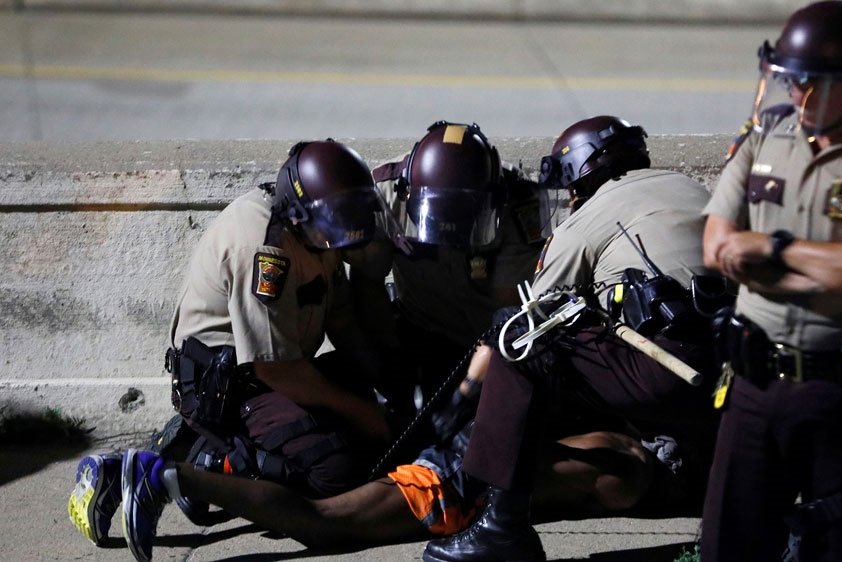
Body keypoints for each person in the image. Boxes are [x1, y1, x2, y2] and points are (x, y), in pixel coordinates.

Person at [69, 139, 399, 561]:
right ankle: (197, 462)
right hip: (231, 386)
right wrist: (363, 412)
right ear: (298, 214)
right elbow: (275, 370)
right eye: (332, 226)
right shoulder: (265, 250)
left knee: (378, 437)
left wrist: (389, 386)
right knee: (335, 475)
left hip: (279, 369)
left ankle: (203, 450)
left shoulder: (320, 225)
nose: (340, 239)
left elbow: (343, 323)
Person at [422, 115, 728, 562]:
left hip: (667, 369)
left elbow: (532, 316)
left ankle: (501, 530)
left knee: (521, 343)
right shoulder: (690, 189)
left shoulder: (591, 216)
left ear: (579, 172)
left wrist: (465, 396)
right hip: (735, 376)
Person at [698, 2, 842, 561]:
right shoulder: (763, 137)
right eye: (790, 78)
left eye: (814, 82)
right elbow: (717, 247)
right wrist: (835, 265)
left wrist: (772, 249)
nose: (798, 93)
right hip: (754, 384)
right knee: (728, 544)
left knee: (839, 546)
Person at [68, 344, 675, 562]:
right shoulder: (625, 473)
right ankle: (169, 476)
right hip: (454, 484)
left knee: (325, 501)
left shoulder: (610, 437)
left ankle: (167, 469)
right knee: (326, 522)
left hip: (460, 456)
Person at [369, 120, 550, 406]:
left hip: (490, 340)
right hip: (421, 328)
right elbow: (367, 282)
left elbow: (509, 314)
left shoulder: (518, 202)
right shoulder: (386, 191)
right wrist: (389, 359)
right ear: (409, 192)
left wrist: (467, 390)